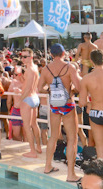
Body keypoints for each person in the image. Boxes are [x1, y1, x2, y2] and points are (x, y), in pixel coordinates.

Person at [38, 44, 82, 183]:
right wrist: (71, 91)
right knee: (72, 139)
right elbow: (79, 87)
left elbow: (39, 88)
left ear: (51, 54)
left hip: (54, 105)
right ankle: (70, 174)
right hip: (68, 104)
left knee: (53, 137)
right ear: (64, 53)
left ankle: (47, 166)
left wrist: (51, 91)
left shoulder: (46, 69)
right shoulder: (70, 67)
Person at [18, 48, 41, 158]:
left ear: (31, 57)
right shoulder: (34, 68)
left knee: (27, 126)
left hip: (28, 99)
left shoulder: (29, 70)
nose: (23, 59)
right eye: (22, 56)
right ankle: (39, 147)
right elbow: (29, 83)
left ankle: (32, 151)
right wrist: (21, 77)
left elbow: (27, 89)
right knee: (34, 124)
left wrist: (20, 100)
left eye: (25, 56)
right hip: (34, 98)